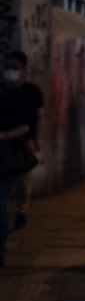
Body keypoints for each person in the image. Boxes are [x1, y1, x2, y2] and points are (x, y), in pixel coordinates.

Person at [2, 51, 44, 230]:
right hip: (2, 145)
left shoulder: (32, 92)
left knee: (23, 184)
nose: (11, 70)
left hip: (23, 143)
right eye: (7, 66)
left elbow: (39, 117)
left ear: (24, 70)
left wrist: (38, 138)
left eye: (15, 67)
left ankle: (21, 211)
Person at [0, 85, 33, 268]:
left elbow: (25, 125)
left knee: (0, 213)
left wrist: (5, 135)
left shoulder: (6, 100)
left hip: (2, 165)